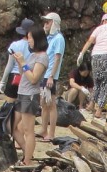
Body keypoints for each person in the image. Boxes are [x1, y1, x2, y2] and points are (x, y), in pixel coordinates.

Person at [11, 25, 48, 166]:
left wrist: (23, 64)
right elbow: (24, 75)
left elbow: (34, 78)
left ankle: (27, 160)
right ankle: (27, 152)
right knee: (12, 126)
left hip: (30, 95)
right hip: (22, 93)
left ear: (37, 39)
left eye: (30, 38)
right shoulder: (33, 55)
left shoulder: (43, 57)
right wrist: (19, 63)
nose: (28, 41)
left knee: (28, 130)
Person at [38, 12, 65, 143]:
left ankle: (52, 133)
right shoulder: (49, 38)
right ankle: (43, 129)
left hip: (50, 75)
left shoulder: (59, 38)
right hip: (44, 74)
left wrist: (51, 76)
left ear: (54, 23)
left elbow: (57, 58)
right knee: (43, 103)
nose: (45, 24)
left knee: (51, 104)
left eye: (48, 22)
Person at [0, 18, 33, 104]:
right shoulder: (35, 46)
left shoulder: (15, 45)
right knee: (25, 106)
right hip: (28, 78)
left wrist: (3, 81)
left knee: (10, 106)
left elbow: (9, 65)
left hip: (15, 78)